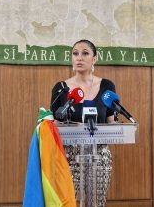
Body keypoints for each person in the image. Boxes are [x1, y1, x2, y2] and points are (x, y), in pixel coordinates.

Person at [50, 39, 115, 207]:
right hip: (69, 157)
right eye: (75, 53)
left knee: (96, 204)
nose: (79, 57)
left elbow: (111, 123)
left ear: (94, 59)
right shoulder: (61, 88)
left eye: (85, 53)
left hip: (99, 157)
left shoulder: (107, 86)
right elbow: (54, 126)